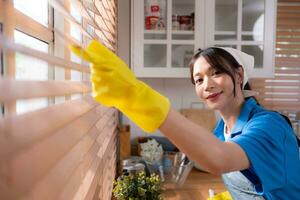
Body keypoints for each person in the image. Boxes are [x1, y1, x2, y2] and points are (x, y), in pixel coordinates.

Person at [71, 40, 300, 200]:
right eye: (198, 80)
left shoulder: (269, 125)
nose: (207, 85)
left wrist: (140, 98)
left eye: (216, 73)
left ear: (239, 75)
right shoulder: (223, 131)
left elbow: (218, 158)